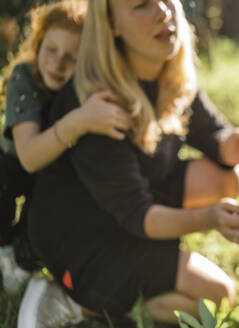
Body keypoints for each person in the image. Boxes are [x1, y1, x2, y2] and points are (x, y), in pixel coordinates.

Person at [19, 0, 239, 326]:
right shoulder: (99, 103)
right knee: (218, 297)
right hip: (85, 240)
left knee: (227, 179)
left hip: (131, 205)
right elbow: (138, 215)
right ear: (112, 26)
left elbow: (209, 130)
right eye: (141, 5)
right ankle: (75, 300)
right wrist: (209, 218)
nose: (163, 11)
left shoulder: (167, 69)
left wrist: (226, 142)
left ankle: (139, 287)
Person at [0, 0, 133, 293]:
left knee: (50, 209)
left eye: (72, 57)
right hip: (15, 164)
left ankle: (21, 257)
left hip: (57, 173)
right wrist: (80, 121)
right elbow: (29, 159)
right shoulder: (25, 77)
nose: (57, 64)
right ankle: (4, 246)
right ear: (38, 42)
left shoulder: (90, 86)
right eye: (51, 49)